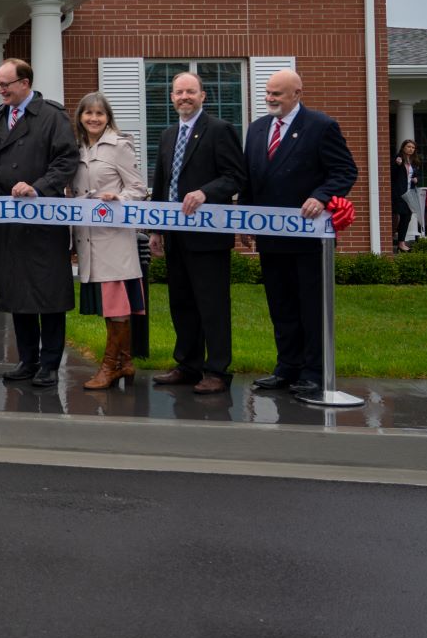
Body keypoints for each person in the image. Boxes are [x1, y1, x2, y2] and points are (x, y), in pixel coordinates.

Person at [244, 68, 358, 396]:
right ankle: (287, 368)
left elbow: (345, 170)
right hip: (271, 237)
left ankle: (313, 371)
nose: (270, 98)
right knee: (281, 306)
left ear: (297, 93)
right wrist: (247, 221)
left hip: (309, 238)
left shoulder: (321, 126)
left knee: (311, 306)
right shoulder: (257, 129)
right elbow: (252, 178)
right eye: (268, 92)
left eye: (277, 94)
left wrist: (321, 197)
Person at [149, 71, 245, 394]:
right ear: (172, 98)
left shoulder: (220, 131)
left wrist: (206, 192)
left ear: (203, 96)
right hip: (175, 237)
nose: (184, 97)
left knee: (212, 305)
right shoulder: (167, 135)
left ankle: (216, 370)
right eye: (179, 92)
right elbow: (162, 185)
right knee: (182, 303)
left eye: (191, 91)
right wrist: (156, 231)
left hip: (208, 238)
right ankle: (188, 364)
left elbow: (235, 176)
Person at [0, 59, 79, 388]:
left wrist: (38, 187)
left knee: (47, 292)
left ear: (25, 83)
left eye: (5, 84)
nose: (0, 90)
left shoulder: (52, 116)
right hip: (10, 223)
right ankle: (27, 359)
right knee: (18, 292)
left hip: (43, 222)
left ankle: (50, 363)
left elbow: (67, 159)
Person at [70, 91, 148, 391]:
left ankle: (108, 368)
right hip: (87, 238)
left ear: (108, 118)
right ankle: (125, 363)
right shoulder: (76, 149)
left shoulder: (119, 146)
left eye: (99, 114)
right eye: (88, 113)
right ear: (80, 117)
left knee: (117, 307)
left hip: (114, 239)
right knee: (111, 307)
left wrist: (118, 198)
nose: (93, 118)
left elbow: (138, 188)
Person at [391, 138, 420, 252]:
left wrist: (416, 179)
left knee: (406, 218)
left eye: (413, 147)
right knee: (396, 217)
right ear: (403, 147)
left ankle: (401, 243)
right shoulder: (397, 159)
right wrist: (397, 165)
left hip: (409, 194)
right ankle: (392, 238)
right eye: (408, 147)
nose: (411, 149)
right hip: (398, 194)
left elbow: (416, 175)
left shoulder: (414, 162)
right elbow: (392, 176)